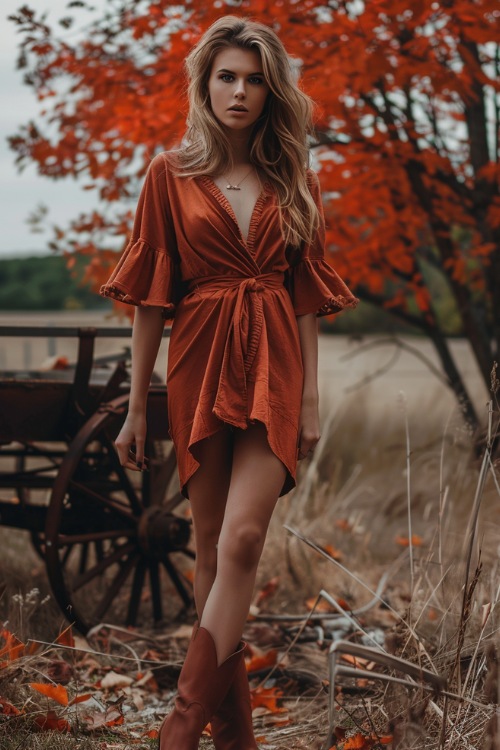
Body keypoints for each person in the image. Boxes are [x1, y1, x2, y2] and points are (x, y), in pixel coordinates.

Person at [100, 15, 358, 750]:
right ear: (205, 85)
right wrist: (135, 409)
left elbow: (305, 295)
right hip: (199, 362)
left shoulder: (295, 178)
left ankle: (181, 726)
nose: (239, 92)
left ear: (271, 91)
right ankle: (235, 740)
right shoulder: (168, 173)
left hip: (275, 363)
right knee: (209, 553)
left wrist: (309, 402)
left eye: (253, 79)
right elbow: (150, 297)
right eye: (226, 77)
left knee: (243, 540)